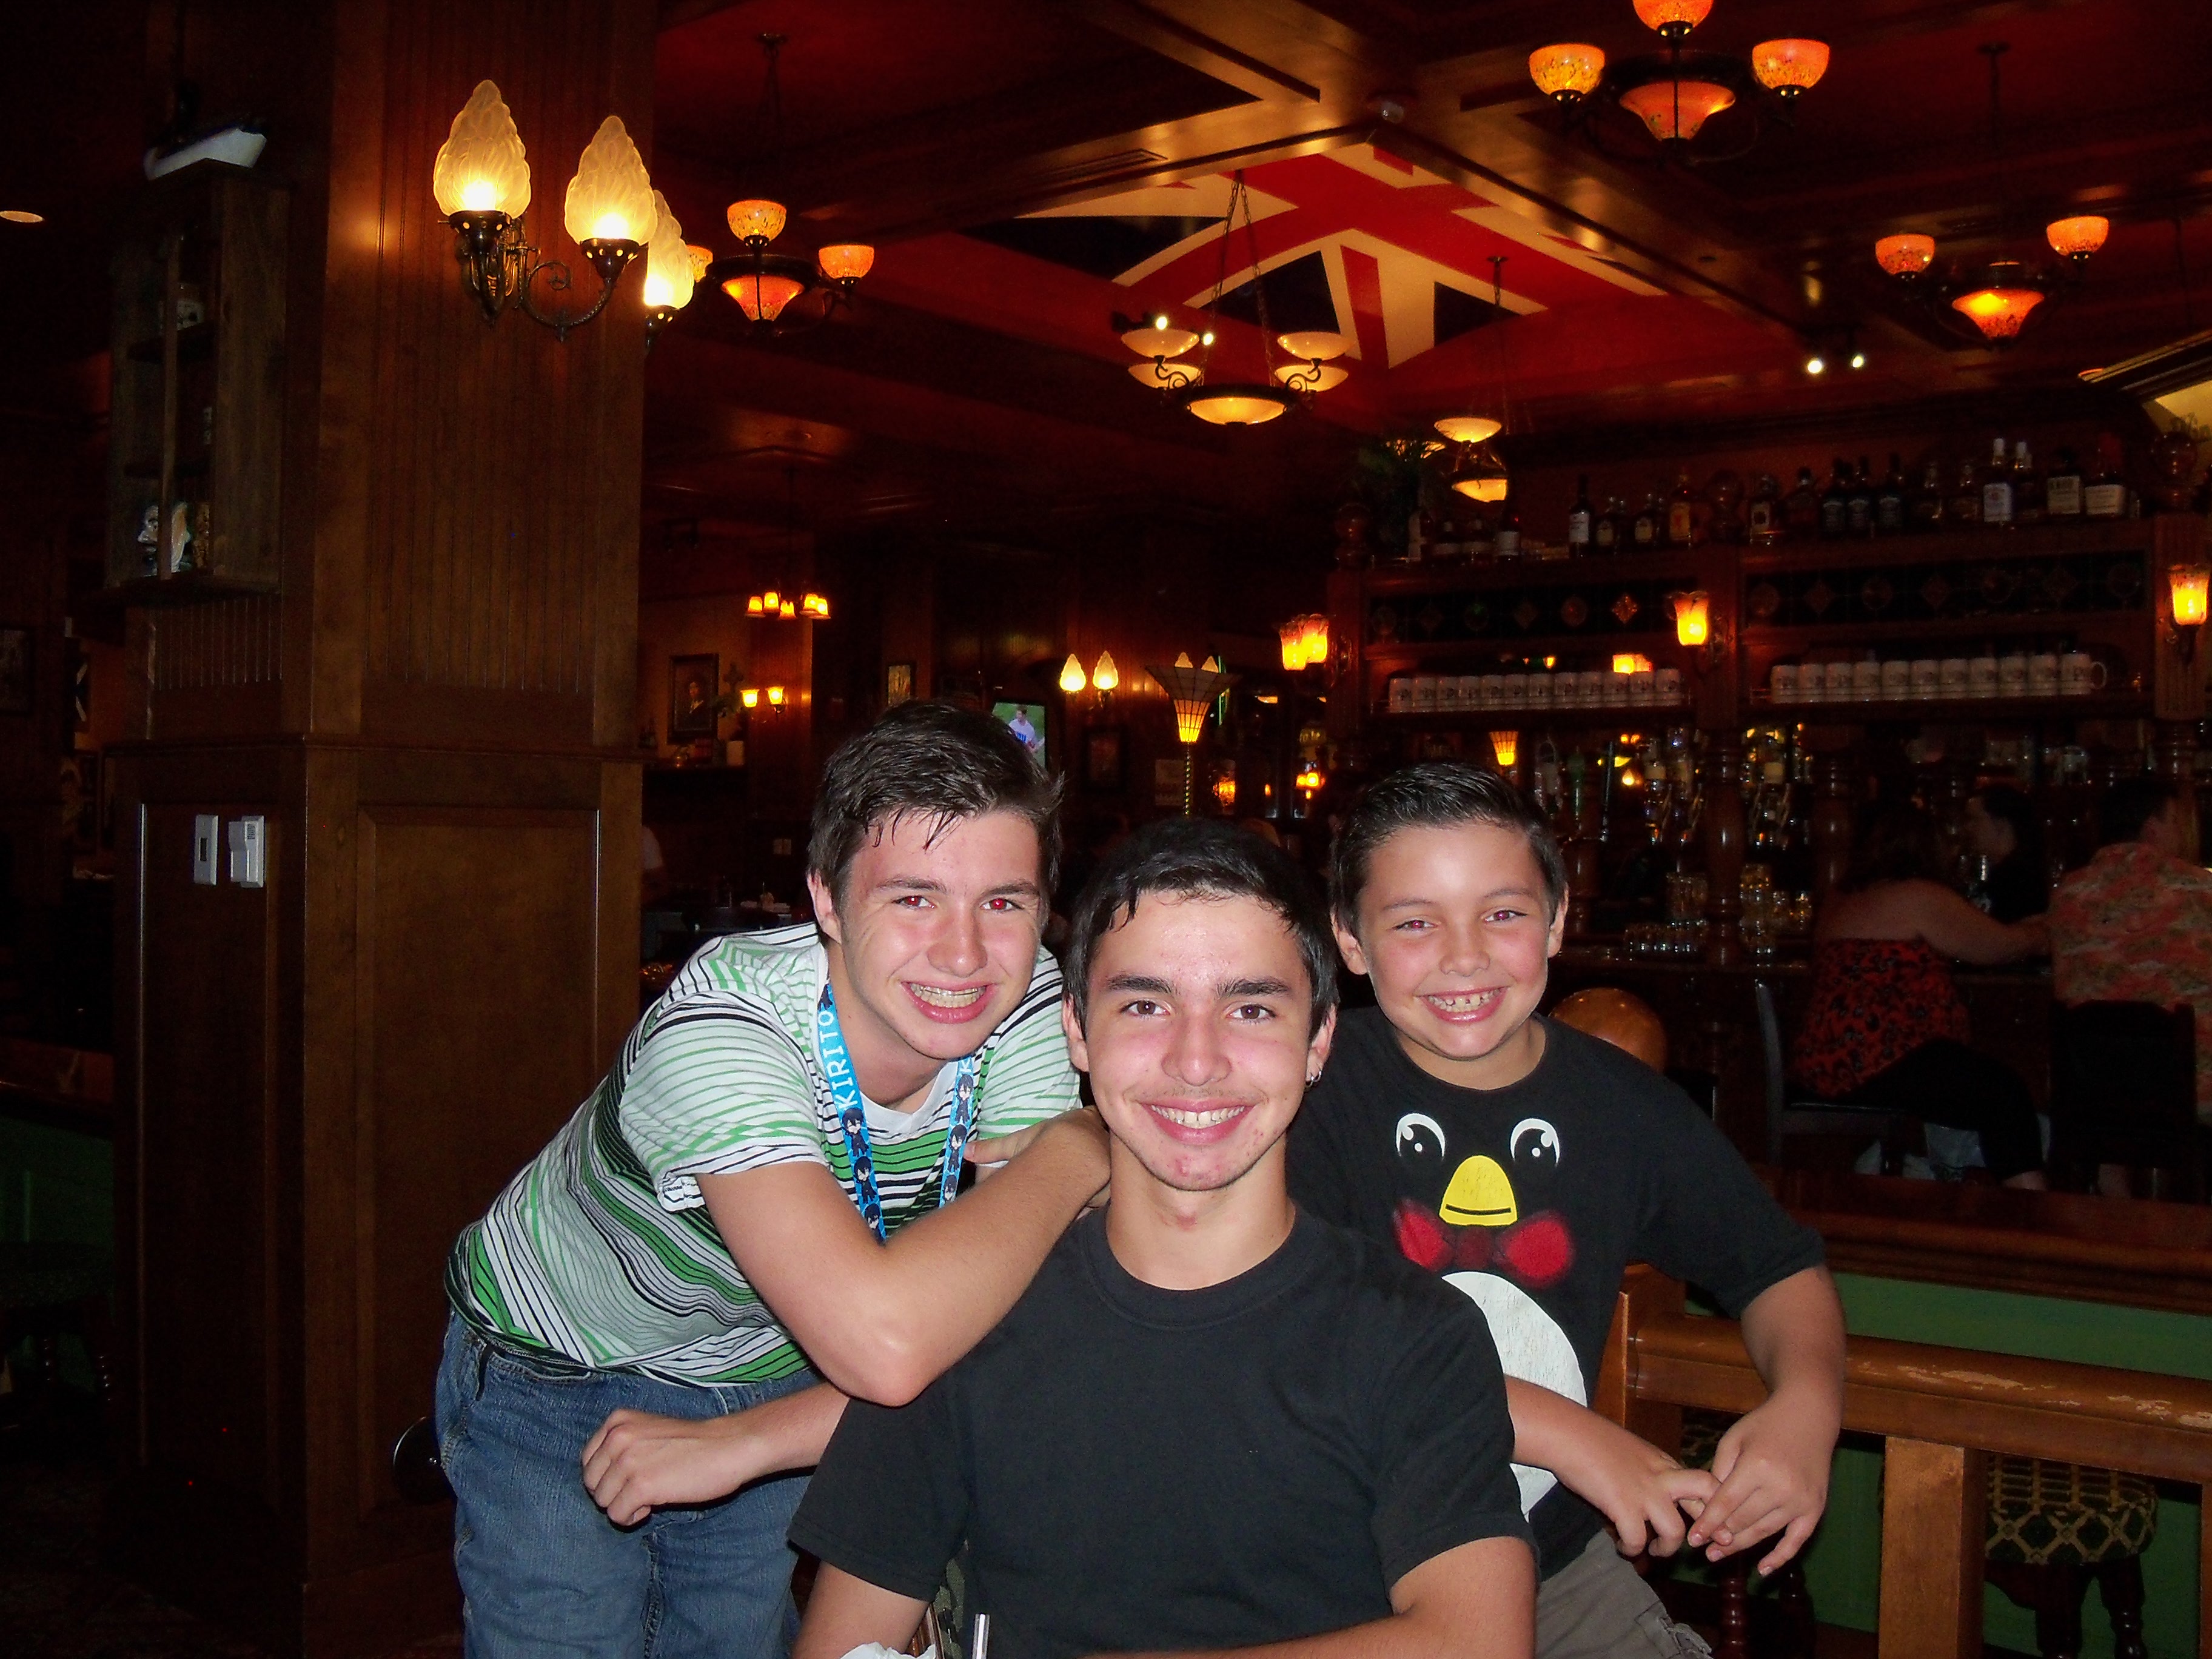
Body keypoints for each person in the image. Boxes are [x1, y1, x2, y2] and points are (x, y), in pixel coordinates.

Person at [437, 701, 1111, 1659]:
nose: (965, 955)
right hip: (559, 1366)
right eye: (913, 899)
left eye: (1004, 903)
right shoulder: (725, 1029)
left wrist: (750, 1440)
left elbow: (1019, 1327)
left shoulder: (1027, 1000)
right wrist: (1082, 1145)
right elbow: (889, 1346)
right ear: (826, 901)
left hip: (781, 1370)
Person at [790, 819, 1536, 1659]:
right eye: (1145, 1005)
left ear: (1319, 1037)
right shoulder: (969, 1317)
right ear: (1078, 1030)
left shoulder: (1415, 1335)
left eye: (1250, 1009)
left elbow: (1480, 1640)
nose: (1196, 1061)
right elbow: (843, 1644)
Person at [1289, 762, 1845, 1659]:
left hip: (1547, 1566)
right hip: (1332, 1564)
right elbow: (1319, 1338)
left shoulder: (1622, 1107)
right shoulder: (1305, 1093)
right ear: (1350, 941)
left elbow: (1778, 1270)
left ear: (1556, 921)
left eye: (1503, 914)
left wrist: (1807, 1407)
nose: (1464, 956)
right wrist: (1577, 1439)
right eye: (1415, 923)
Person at [1792, 801, 2048, 1188]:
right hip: (1882, 1056)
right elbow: (1997, 946)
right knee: (2004, 1093)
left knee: (1979, 1085)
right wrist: (2042, 932)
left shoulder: (1839, 897)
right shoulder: (1919, 895)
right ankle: (2030, 1206)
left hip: (1826, 1058)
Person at [2048, 775, 2212, 1174]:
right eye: (2178, 823)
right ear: (2154, 828)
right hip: (2193, 1093)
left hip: (2092, 1092)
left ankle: (2115, 1198)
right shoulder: (2200, 890)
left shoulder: (2068, 894)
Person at [1965, 784, 2048, 923]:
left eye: (1974, 820)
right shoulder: (1998, 875)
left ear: (2000, 823)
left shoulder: (2020, 882)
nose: (1968, 828)